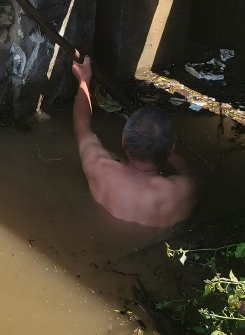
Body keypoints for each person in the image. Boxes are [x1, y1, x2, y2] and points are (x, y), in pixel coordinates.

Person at [71, 56, 198, 228]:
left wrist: (84, 80)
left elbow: (82, 123)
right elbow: (190, 175)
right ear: (171, 149)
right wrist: (170, 154)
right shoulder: (180, 191)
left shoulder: (98, 167)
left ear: (123, 141)